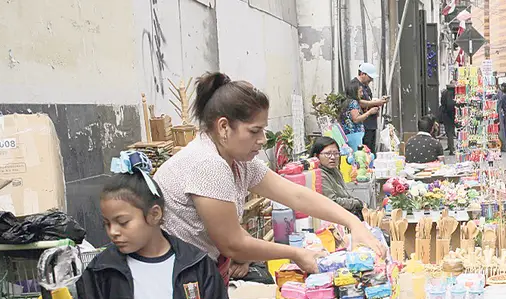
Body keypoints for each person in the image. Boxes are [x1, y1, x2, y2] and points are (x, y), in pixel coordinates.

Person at [154, 72, 384, 284]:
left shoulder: (239, 162)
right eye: (254, 131)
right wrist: (296, 253)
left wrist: (353, 223)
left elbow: (296, 195)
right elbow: (232, 244)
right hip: (174, 279)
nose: (263, 139)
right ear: (223, 127)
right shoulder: (208, 164)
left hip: (198, 270)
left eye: (263, 130)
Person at [69, 152, 236, 299]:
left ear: (154, 214)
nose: (113, 232)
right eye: (107, 224)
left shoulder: (196, 265)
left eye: (123, 222)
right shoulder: (103, 270)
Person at [308, 137, 365, 219]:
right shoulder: (319, 175)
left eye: (336, 153)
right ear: (316, 156)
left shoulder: (334, 170)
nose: (333, 157)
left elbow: (345, 194)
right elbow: (332, 202)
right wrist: (356, 203)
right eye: (328, 154)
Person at [348, 63, 389, 153]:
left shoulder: (365, 86)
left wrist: (376, 103)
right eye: (370, 77)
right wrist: (376, 103)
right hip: (363, 125)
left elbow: (367, 101)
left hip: (370, 123)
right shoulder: (355, 85)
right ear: (363, 74)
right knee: (365, 151)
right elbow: (357, 102)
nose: (371, 80)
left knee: (370, 151)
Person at [342, 84, 377, 152]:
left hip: (349, 133)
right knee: (358, 155)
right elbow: (356, 119)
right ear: (354, 92)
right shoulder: (353, 102)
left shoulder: (346, 102)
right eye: (360, 92)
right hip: (354, 133)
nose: (362, 94)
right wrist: (369, 112)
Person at [440, 82, 458, 155]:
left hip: (446, 115)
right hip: (455, 114)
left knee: (449, 132)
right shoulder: (456, 93)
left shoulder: (445, 92)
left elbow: (442, 102)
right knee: (452, 131)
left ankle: (450, 148)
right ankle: (452, 148)